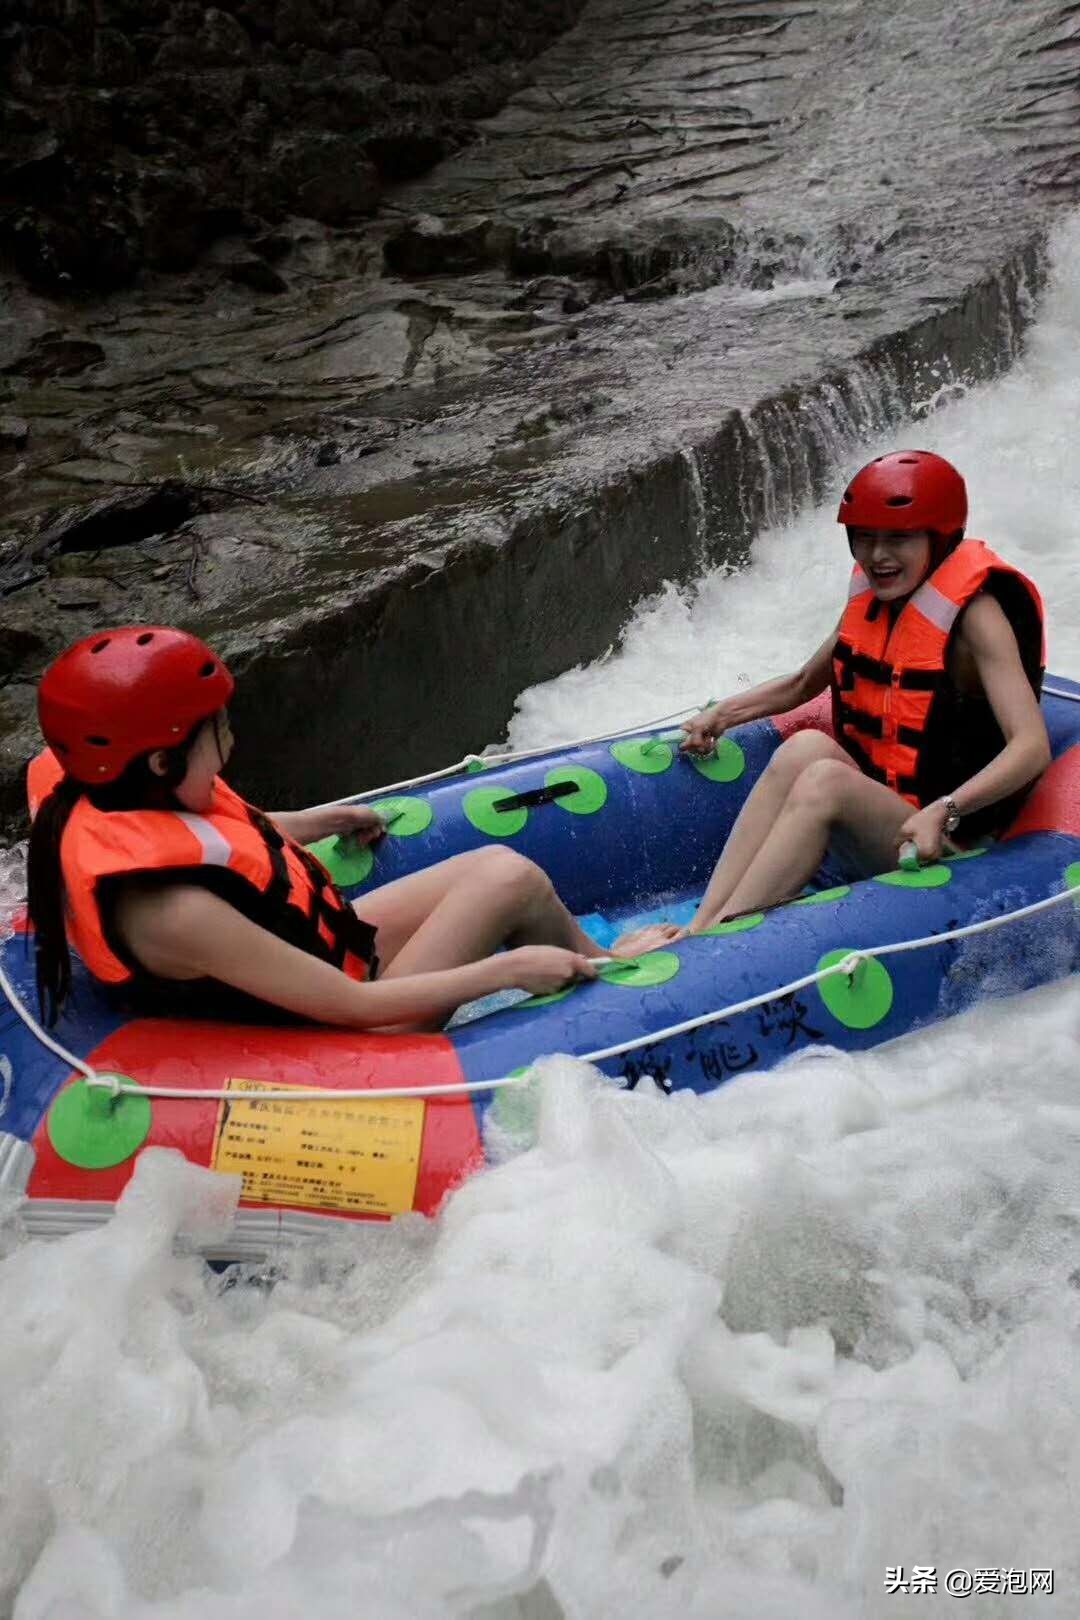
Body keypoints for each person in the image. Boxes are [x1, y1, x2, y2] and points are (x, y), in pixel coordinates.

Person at [26, 627, 672, 1032]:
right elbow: (351, 1008)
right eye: (217, 733)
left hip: (321, 963)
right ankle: (607, 970)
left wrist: (313, 823)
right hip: (350, 1033)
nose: (231, 741)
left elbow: (220, 846)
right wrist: (506, 972)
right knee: (508, 880)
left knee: (508, 871)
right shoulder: (172, 913)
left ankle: (597, 956)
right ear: (162, 761)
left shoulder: (109, 786)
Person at [679, 450, 1051, 932]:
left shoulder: (977, 618)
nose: (878, 556)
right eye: (864, 538)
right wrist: (722, 715)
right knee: (807, 748)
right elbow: (802, 683)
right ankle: (703, 924)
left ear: (938, 538)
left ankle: (720, 937)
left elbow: (1032, 746)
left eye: (898, 538)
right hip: (891, 817)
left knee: (825, 780)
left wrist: (947, 809)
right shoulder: (877, 598)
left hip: (954, 845)